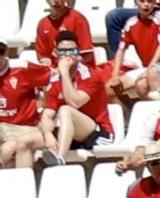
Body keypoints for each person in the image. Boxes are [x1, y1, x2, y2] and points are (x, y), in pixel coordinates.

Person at [34, 31, 114, 166]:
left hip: (97, 132)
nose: (68, 56)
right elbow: (47, 115)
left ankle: (59, 159)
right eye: (63, 52)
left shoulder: (90, 75)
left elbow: (75, 102)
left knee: (66, 110)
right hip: (70, 133)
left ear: (78, 53)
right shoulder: (54, 81)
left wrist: (64, 72)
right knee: (24, 142)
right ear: (55, 53)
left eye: (72, 51)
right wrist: (48, 134)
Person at [0, 46, 51, 169]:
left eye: (0, 52)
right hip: (2, 127)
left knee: (7, 150)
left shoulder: (22, 68)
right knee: (6, 151)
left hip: (24, 127)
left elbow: (52, 76)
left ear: (6, 53)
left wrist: (44, 102)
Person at [112, 0, 160, 100]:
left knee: (142, 85)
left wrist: (149, 70)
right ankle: (129, 109)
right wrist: (114, 75)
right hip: (145, 68)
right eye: (142, 1)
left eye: (150, 1)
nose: (146, 4)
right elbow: (121, 49)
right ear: (135, 2)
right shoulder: (130, 23)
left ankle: (155, 112)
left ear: (154, 3)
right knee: (110, 88)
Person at [34, 0, 95, 64]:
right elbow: (44, 56)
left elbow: (88, 55)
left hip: (78, 68)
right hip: (54, 70)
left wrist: (68, 65)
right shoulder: (43, 24)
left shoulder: (78, 19)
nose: (56, 1)